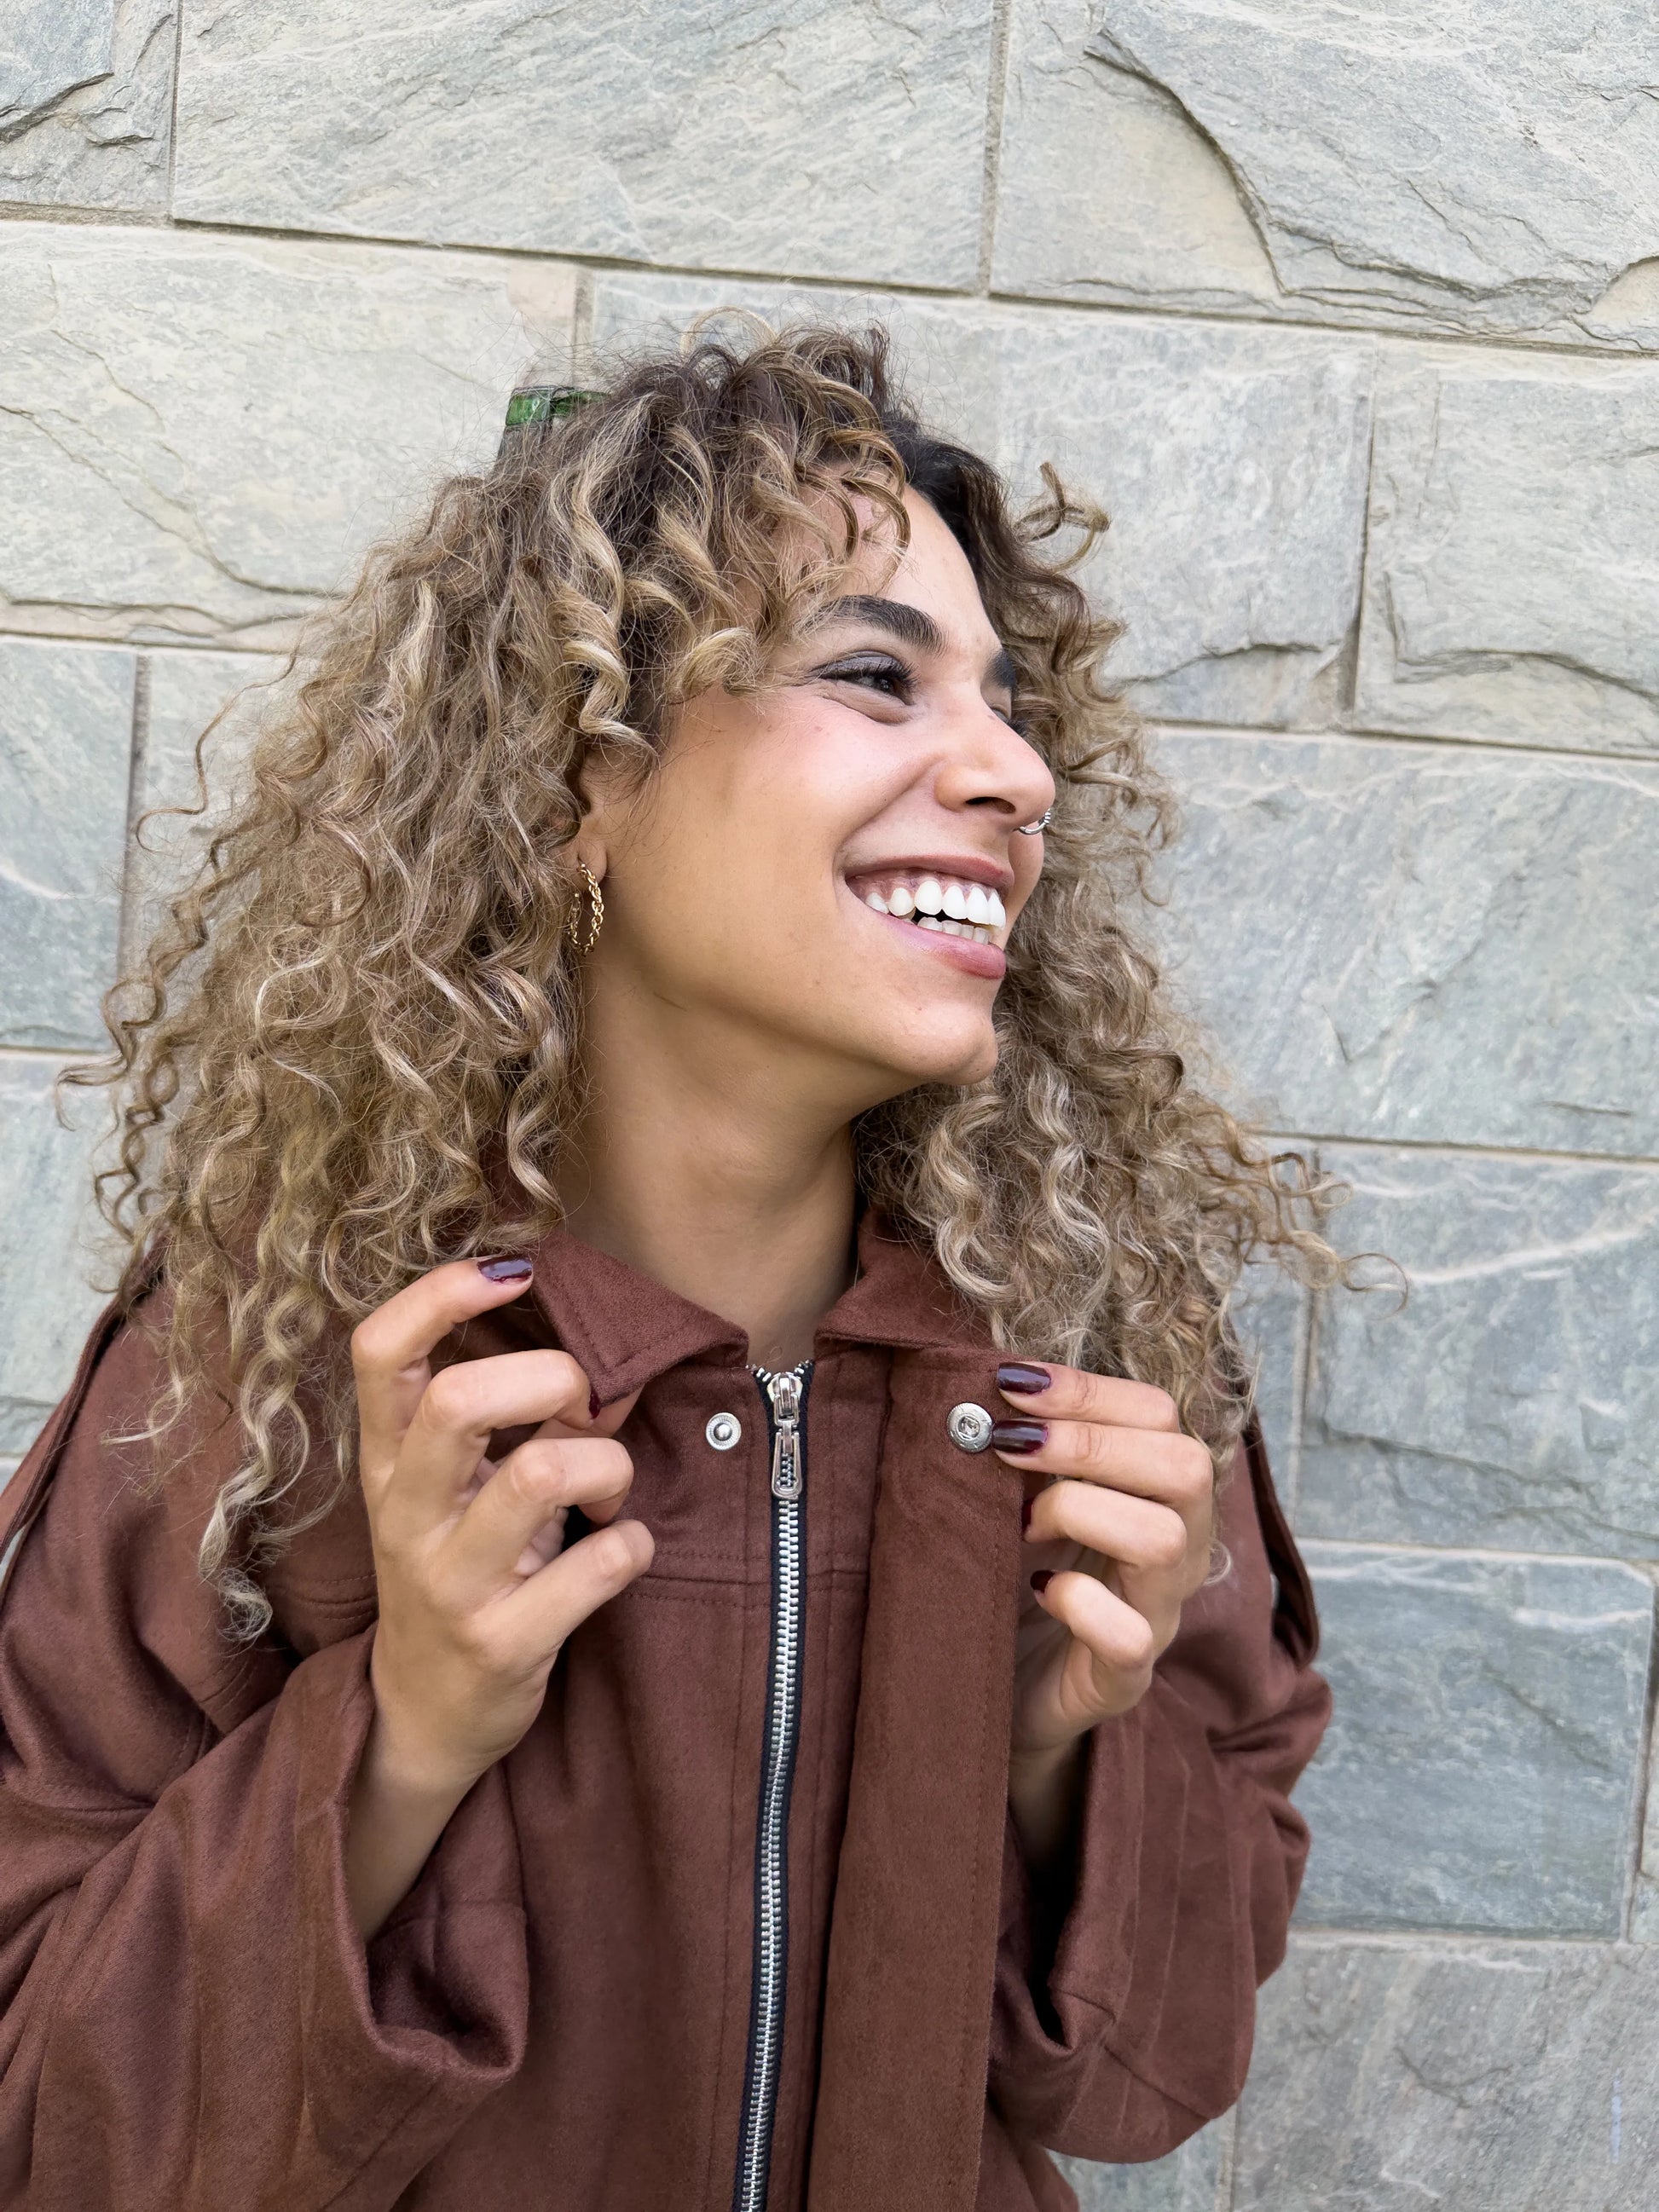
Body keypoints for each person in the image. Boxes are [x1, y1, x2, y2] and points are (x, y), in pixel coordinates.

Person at [0, 321, 1337, 2212]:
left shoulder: (1093, 1376)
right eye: (873, 674)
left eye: (1010, 705)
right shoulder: (281, 1374)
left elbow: (1153, 2075)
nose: (1012, 773)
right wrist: (403, 1732)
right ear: (583, 775)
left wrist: (1056, 1743)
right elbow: (51, 2129)